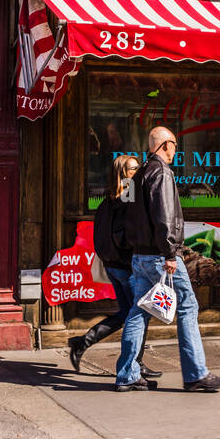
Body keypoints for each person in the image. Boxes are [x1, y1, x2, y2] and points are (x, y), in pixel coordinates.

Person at [115, 126, 220, 392]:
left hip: (140, 255)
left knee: (139, 311)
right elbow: (165, 216)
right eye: (174, 144)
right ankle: (196, 374)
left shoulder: (139, 173)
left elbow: (127, 214)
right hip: (159, 255)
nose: (175, 149)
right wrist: (170, 253)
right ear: (165, 145)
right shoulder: (162, 173)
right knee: (188, 305)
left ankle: (127, 375)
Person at [67, 155, 161, 378]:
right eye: (133, 169)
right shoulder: (127, 199)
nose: (137, 172)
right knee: (139, 314)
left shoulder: (108, 200)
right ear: (123, 174)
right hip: (126, 266)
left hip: (113, 265)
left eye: (138, 168)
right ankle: (134, 363)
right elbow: (126, 235)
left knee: (129, 313)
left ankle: (84, 342)